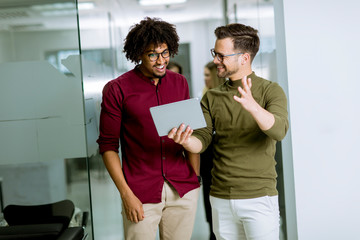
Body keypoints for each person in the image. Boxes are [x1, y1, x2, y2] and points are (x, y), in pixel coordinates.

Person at [168, 23, 289, 240]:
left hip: (259, 198)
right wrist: (185, 140)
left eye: (221, 56)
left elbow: (279, 131)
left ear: (244, 58)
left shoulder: (271, 90)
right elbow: (202, 140)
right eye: (215, 54)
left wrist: (253, 107)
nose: (216, 61)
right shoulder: (211, 96)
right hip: (220, 197)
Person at [96, 17, 200, 240]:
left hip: (182, 188)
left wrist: (195, 177)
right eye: (152, 54)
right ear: (138, 55)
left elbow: (189, 131)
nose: (161, 60)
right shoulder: (117, 89)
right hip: (139, 192)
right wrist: (126, 195)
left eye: (165, 52)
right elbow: (108, 147)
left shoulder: (179, 82)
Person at [200, 61, 225, 240]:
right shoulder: (204, 97)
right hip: (206, 160)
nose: (205, 79)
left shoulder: (223, 100)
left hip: (219, 160)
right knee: (210, 206)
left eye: (207, 75)